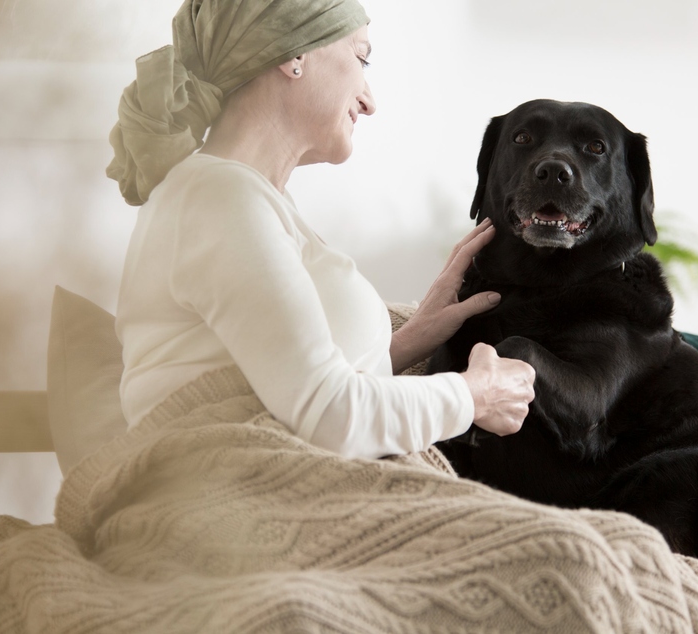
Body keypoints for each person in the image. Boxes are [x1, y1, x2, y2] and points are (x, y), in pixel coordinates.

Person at [107, 0, 536, 460]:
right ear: (294, 56)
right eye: (361, 56)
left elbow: (290, 383)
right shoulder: (219, 198)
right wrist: (474, 396)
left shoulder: (244, 198)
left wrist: (414, 336)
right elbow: (329, 415)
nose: (370, 101)